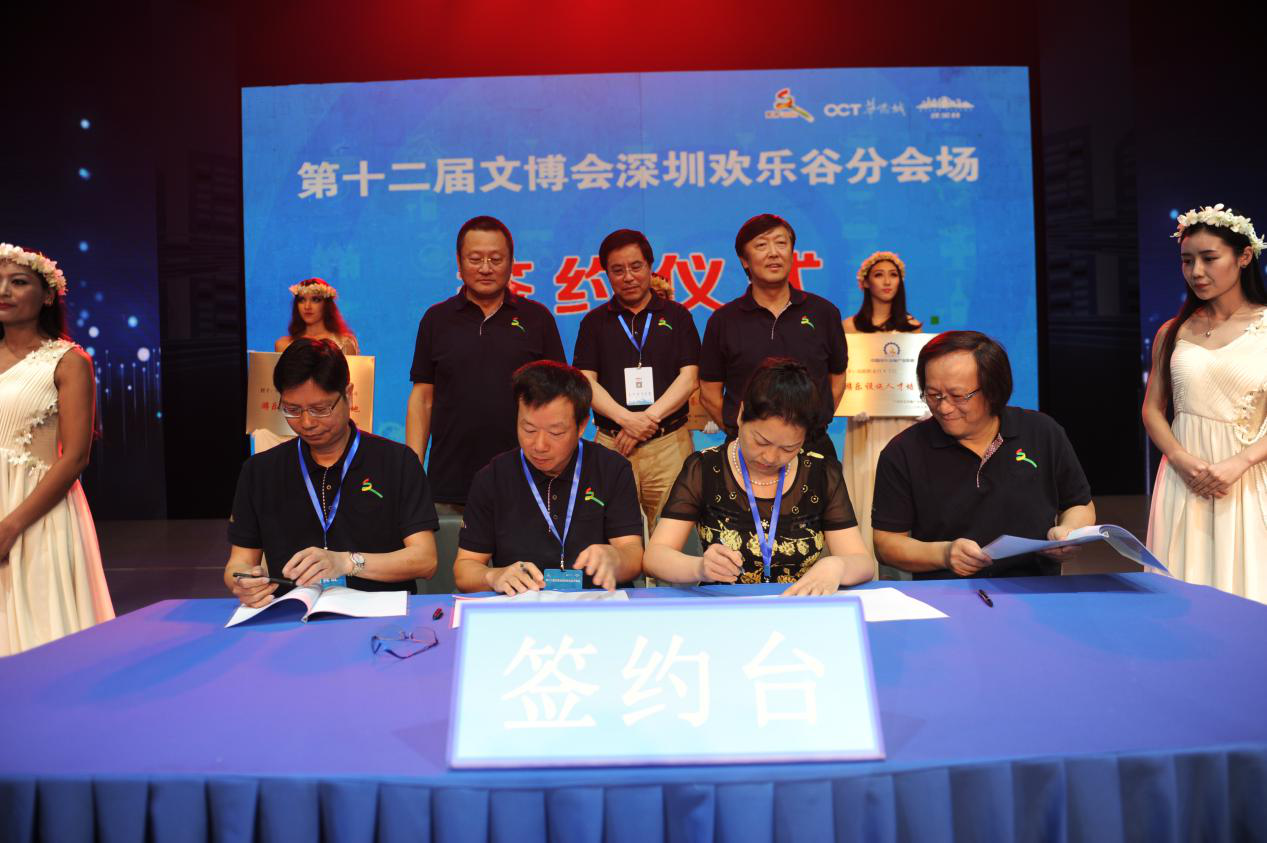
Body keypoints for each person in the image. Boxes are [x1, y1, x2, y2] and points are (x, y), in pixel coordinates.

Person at [226, 339, 438, 607]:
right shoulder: (260, 471)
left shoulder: (397, 462)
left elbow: (425, 560)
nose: (306, 422)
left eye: (320, 409)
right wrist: (243, 582)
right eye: (292, 410)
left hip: (380, 616)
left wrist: (347, 562)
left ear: (348, 394)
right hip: (291, 616)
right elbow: (238, 563)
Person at [872, 331, 1095, 579]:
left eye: (958, 396)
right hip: (945, 592)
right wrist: (943, 554)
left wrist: (1069, 532)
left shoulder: (1042, 432)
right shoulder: (903, 451)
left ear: (993, 390)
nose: (944, 407)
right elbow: (886, 544)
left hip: (1035, 588)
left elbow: (1079, 504)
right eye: (934, 395)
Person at [646, 358, 874, 595]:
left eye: (788, 448)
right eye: (761, 441)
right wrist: (699, 568)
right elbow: (655, 556)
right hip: (724, 606)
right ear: (741, 414)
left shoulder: (821, 473)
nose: (770, 457)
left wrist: (837, 565)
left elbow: (862, 562)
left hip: (797, 606)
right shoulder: (705, 467)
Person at [1143, 203, 1267, 602]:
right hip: (1184, 479)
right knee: (1182, 592)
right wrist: (1180, 459)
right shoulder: (1173, 331)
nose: (1196, 271)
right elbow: (1152, 409)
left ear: (1244, 257)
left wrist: (1239, 463)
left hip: (1247, 480)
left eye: (1209, 258)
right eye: (1187, 261)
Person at [407, 216, 566, 512]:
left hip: (527, 477)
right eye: (475, 259)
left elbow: (559, 398)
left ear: (512, 263)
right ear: (459, 261)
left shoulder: (537, 318)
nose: (485, 268)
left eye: (495, 259)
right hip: (450, 477)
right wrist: (413, 463)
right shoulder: (436, 319)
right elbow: (423, 397)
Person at [0, 244, 113, 656]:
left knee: (44, 638)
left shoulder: (68, 361)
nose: (4, 291)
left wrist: (11, 526)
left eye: (18, 282)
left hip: (36, 514)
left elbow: (75, 457)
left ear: (47, 295)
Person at [453, 361, 644, 594]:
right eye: (529, 430)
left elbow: (633, 555)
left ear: (581, 426)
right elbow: (465, 569)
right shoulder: (492, 478)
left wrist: (616, 559)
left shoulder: (611, 469)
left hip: (596, 603)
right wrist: (493, 576)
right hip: (523, 606)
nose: (539, 445)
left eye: (556, 432)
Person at [573, 229, 700, 529]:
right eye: (618, 270)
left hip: (669, 444)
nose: (628, 277)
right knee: (611, 533)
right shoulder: (594, 322)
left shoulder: (678, 316)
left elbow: (689, 378)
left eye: (636, 267)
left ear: (650, 266)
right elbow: (585, 381)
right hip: (612, 443)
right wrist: (627, 420)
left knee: (674, 533)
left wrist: (646, 420)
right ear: (606, 274)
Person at [700, 213, 847, 460]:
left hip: (812, 448)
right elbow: (709, 392)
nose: (773, 253)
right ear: (744, 260)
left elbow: (837, 378)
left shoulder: (824, 313)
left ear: (792, 253)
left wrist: (810, 425)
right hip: (746, 452)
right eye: (761, 245)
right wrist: (746, 435)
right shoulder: (723, 320)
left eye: (781, 243)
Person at [842, 251, 923, 555]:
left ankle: (901, 559)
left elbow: (917, 374)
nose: (887, 281)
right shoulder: (849, 326)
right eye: (879, 275)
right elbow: (842, 375)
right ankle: (862, 559)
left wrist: (921, 405)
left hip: (901, 419)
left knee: (900, 481)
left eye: (893, 274)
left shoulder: (913, 326)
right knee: (865, 482)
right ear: (865, 282)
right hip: (864, 419)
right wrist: (850, 403)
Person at [274, 278, 359, 356]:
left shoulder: (344, 344)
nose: (307, 306)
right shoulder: (283, 345)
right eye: (302, 300)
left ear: (326, 305)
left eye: (315, 300)